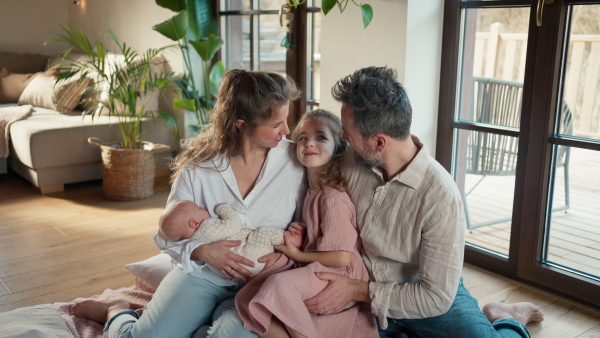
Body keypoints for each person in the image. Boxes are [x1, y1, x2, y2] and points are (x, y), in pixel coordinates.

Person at [299, 66, 544, 337]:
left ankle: (507, 318)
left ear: (379, 142)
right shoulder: (351, 159)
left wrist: (356, 290)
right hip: (359, 293)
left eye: (348, 134)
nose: (343, 138)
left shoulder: (441, 197)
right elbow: (304, 152)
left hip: (424, 296)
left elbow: (437, 296)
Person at [70, 69, 306, 338]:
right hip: (201, 276)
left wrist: (291, 245)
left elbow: (308, 226)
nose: (286, 131)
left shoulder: (296, 161)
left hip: (263, 281)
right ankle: (115, 311)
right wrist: (201, 252)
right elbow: (167, 234)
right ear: (241, 123)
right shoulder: (199, 166)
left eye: (286, 120)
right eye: (276, 125)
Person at [235, 109, 378, 338]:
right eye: (303, 137)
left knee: (279, 286)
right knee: (246, 297)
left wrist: (298, 255)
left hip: (339, 271)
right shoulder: (311, 191)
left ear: (338, 147)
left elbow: (341, 256)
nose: (309, 143)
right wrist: (301, 238)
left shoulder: (332, 198)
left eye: (321, 137)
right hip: (316, 265)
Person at [159, 200, 304, 276]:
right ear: (194, 223)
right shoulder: (207, 227)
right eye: (199, 208)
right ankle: (288, 239)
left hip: (242, 268)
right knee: (263, 232)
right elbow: (232, 226)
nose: (203, 207)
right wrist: (224, 209)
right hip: (252, 257)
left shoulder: (198, 238)